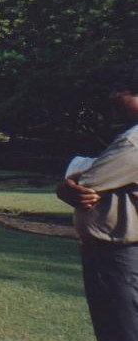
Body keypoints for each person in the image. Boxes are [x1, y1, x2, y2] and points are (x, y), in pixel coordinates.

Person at [57, 62, 138, 341]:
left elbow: (84, 182)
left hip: (117, 255)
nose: (112, 97)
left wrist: (66, 182)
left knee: (119, 331)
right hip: (121, 254)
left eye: (120, 90)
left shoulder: (132, 143)